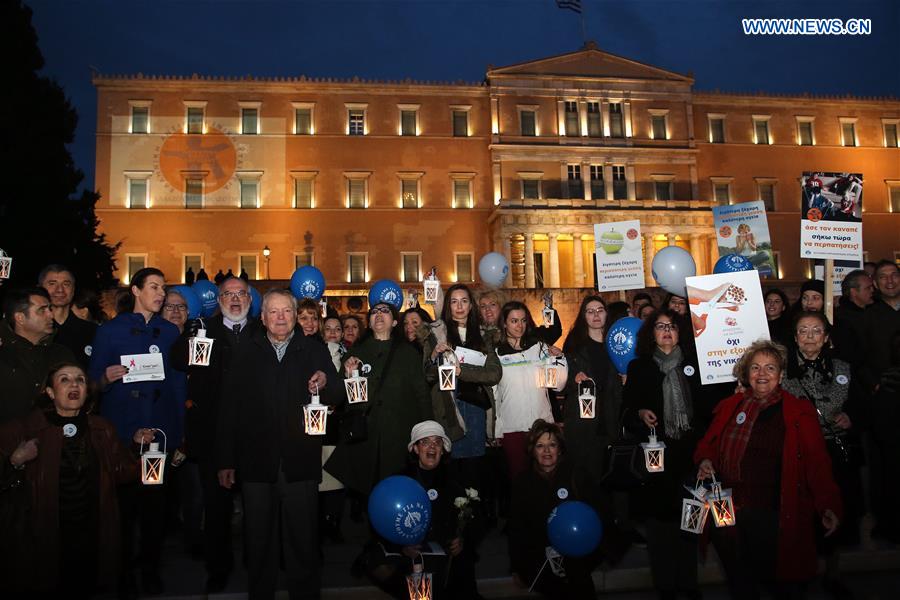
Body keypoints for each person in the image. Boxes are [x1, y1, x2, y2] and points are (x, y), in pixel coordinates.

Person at [695, 340, 842, 599]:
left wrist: (827, 505)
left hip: (772, 516)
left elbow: (818, 464)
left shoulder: (798, 412)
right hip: (727, 514)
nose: (762, 374)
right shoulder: (731, 406)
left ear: (781, 374)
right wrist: (707, 461)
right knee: (740, 585)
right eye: (755, 368)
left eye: (770, 368)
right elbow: (708, 445)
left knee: (779, 586)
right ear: (746, 373)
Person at [216, 288, 338, 600]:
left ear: (297, 316)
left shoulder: (313, 350)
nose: (281, 317)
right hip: (257, 463)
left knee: (303, 542)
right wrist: (226, 459)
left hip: (300, 463)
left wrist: (325, 382)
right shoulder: (246, 352)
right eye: (274, 311)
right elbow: (230, 408)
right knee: (258, 542)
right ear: (263, 316)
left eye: (287, 311)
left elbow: (338, 393)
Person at [0, 363, 146, 596]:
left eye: (80, 379)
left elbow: (122, 472)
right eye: (64, 379)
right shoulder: (24, 429)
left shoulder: (101, 429)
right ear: (49, 392)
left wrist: (138, 447)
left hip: (91, 534)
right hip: (45, 536)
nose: (74, 384)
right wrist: (15, 461)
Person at [88, 267, 181, 596]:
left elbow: (177, 385)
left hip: (158, 436)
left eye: (163, 288)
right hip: (122, 434)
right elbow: (91, 383)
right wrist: (105, 379)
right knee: (124, 511)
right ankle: (123, 572)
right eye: (154, 287)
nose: (161, 293)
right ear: (136, 290)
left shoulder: (170, 333)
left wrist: (175, 433)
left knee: (155, 510)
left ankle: (151, 569)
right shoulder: (110, 331)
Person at [170, 275, 257, 592]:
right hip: (212, 435)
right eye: (228, 294)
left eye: (240, 294)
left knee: (256, 507)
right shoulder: (203, 328)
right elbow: (177, 360)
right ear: (219, 300)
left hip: (254, 436)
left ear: (249, 299)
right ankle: (218, 568)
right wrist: (191, 337)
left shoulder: (262, 331)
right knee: (216, 508)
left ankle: (255, 562)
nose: (235, 299)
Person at [621, 308, 705, 600]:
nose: (666, 331)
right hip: (656, 457)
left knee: (689, 520)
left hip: (689, 455)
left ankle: (689, 583)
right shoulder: (640, 367)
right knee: (660, 526)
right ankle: (665, 585)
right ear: (651, 333)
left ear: (680, 331)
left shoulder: (695, 365)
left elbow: (707, 411)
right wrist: (640, 413)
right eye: (660, 326)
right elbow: (627, 412)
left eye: (672, 326)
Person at [782, 311, 863, 597]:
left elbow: (855, 401)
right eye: (803, 331)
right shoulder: (782, 370)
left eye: (816, 331)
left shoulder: (842, 367)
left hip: (833, 447)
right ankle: (803, 571)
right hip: (798, 449)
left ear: (826, 337)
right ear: (795, 338)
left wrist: (851, 416)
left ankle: (833, 571)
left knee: (835, 508)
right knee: (802, 511)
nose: (809, 337)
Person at [363, 421, 482, 600]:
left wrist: (462, 540)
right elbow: (382, 522)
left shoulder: (456, 481)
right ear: (416, 449)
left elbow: (475, 519)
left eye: (437, 442)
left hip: (443, 553)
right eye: (425, 442)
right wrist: (402, 546)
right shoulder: (400, 481)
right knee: (379, 563)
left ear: (443, 449)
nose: (432, 447)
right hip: (408, 552)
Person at [325, 301, 433, 495]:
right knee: (364, 496)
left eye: (385, 311)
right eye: (374, 312)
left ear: (394, 322)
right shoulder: (356, 352)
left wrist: (427, 433)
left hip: (399, 437)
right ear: (369, 322)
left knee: (396, 491)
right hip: (365, 438)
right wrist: (348, 376)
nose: (379, 314)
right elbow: (342, 398)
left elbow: (422, 395)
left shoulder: (408, 353)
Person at [422, 284, 501, 503]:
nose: (459, 306)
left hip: (474, 407)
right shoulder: (436, 334)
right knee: (451, 468)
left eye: (464, 301)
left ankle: (474, 521)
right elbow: (428, 375)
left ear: (471, 306)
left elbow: (494, 373)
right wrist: (434, 357)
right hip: (448, 407)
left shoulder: (483, 335)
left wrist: (462, 371)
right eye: (454, 301)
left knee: (474, 470)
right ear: (448, 305)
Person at [508, 420, 602, 599]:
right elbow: (516, 528)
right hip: (542, 563)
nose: (546, 451)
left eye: (552, 445)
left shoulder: (577, 475)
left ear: (560, 449)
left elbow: (597, 514)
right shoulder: (523, 482)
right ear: (532, 451)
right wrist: (517, 568)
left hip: (577, 561)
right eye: (540, 446)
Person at [493, 301, 568, 482]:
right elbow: (495, 394)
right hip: (512, 428)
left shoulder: (540, 348)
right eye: (514, 321)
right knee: (519, 480)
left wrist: (560, 359)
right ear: (504, 323)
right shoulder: (496, 354)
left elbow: (558, 384)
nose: (519, 326)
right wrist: (496, 430)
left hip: (542, 427)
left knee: (547, 477)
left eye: (523, 320)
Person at [561, 296, 622, 483]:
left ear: (606, 314)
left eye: (600, 310)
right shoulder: (574, 344)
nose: (596, 315)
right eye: (590, 311)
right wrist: (574, 378)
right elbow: (563, 378)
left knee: (612, 478)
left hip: (612, 417)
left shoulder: (617, 344)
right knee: (585, 478)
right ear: (583, 316)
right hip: (583, 422)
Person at [0, 287, 75, 423]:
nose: (51, 315)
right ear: (20, 318)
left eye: (50, 309)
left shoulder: (61, 354)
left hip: (55, 437)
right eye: (42, 310)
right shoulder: (3, 355)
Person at [39, 264, 98, 368]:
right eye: (52, 284)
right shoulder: (33, 331)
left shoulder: (92, 332)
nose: (60, 290)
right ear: (40, 289)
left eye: (66, 284)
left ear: (73, 289)